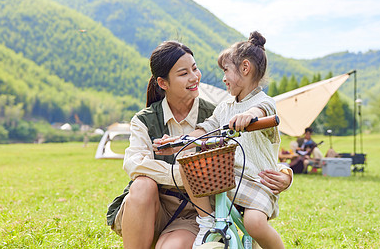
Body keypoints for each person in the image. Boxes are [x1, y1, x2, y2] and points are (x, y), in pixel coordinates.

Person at [106, 40, 293, 249]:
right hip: (152, 207)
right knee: (142, 184)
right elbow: (134, 164)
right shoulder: (145, 120)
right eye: (183, 73)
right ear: (163, 83)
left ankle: (202, 228)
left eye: (194, 68)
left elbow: (254, 144)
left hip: (192, 212)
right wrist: (188, 169)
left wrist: (285, 173)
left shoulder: (219, 111)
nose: (194, 77)